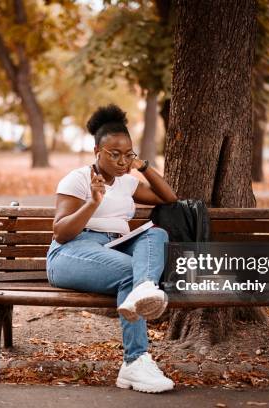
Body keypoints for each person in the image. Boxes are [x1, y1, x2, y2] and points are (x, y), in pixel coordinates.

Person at [46, 104, 178, 393]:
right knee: (130, 273)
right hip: (71, 252)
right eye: (114, 154)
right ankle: (135, 362)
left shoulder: (128, 182)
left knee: (156, 235)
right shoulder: (78, 179)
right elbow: (62, 232)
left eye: (127, 154)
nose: (121, 161)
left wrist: (142, 165)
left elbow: (168, 197)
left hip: (113, 248)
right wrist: (92, 202)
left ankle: (144, 288)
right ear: (97, 151)